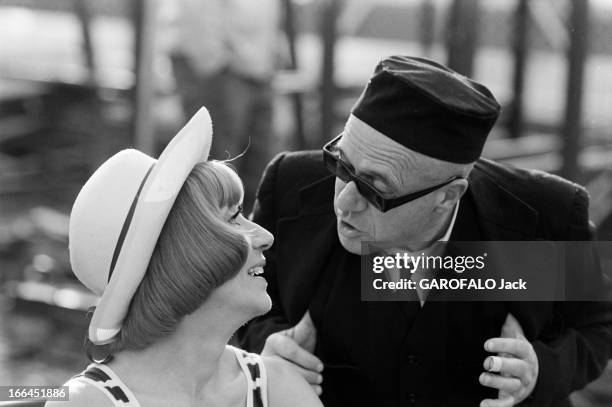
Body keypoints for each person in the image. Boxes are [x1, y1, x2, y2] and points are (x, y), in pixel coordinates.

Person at [238, 56, 612, 406]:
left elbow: (597, 326)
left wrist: (540, 371)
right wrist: (265, 351)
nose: (344, 202)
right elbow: (237, 303)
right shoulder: (291, 187)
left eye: (375, 188)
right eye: (341, 164)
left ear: (448, 197)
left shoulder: (545, 216)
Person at [47, 108, 321, 407]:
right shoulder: (82, 403)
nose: (266, 238)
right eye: (233, 218)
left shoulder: (280, 386)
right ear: (181, 255)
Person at [160, 0, 281, 212]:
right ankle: (210, 240)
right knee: (219, 173)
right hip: (222, 68)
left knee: (256, 171)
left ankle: (246, 239)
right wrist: (214, 63)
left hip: (256, 69)